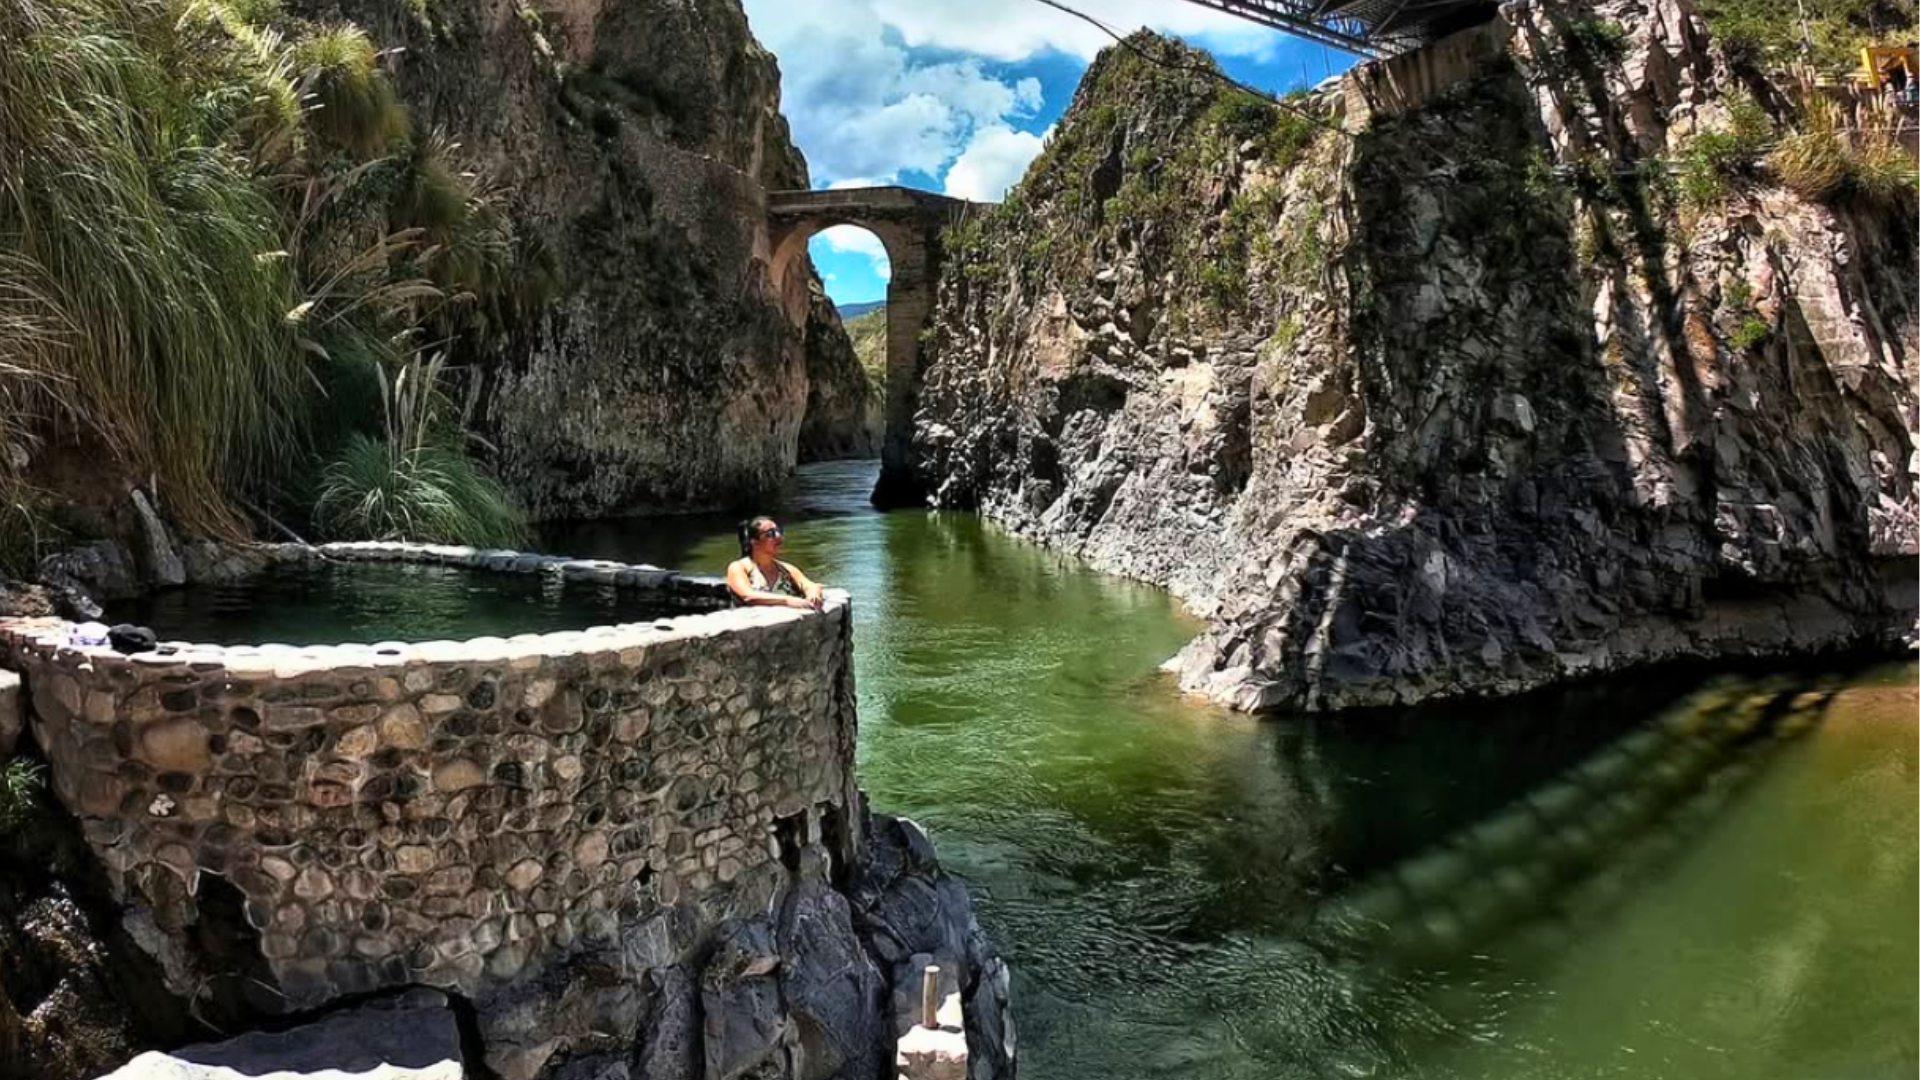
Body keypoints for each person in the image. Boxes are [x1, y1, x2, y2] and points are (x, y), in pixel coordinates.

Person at [726, 516, 825, 611]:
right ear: (754, 542)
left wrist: (813, 595)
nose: (778, 537)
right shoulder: (739, 567)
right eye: (770, 534)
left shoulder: (786, 568)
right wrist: (787, 600)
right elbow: (747, 595)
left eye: (779, 531)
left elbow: (810, 585)